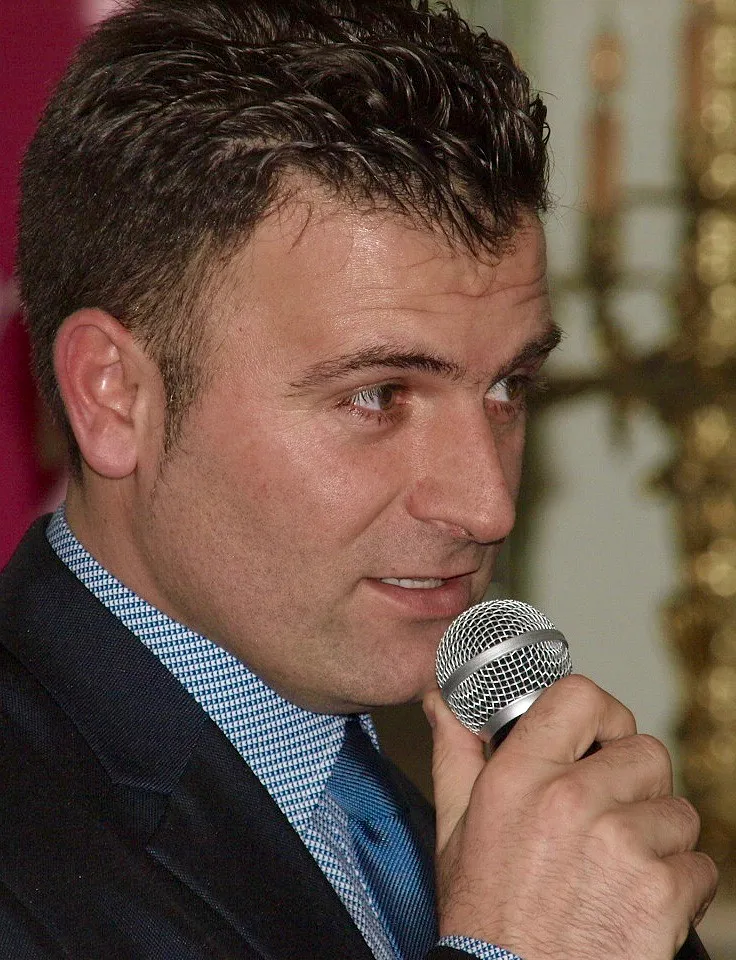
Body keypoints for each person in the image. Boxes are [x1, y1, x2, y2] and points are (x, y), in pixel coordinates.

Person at [1, 1, 717, 958]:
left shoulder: (428, 800)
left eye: (509, 387)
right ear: (114, 395)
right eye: (379, 395)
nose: (487, 505)